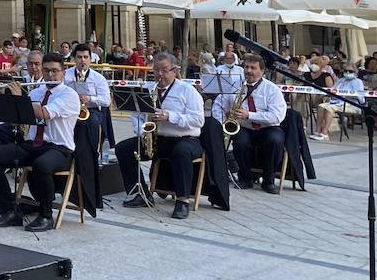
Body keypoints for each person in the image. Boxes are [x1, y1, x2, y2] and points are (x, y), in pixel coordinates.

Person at [0, 52, 80, 233]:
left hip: (59, 148)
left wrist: (19, 99)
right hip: (33, 144)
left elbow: (44, 114)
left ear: (63, 73)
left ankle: (46, 215)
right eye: (46, 71)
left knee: (42, 164)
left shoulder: (69, 95)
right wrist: (6, 100)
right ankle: (9, 208)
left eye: (55, 71)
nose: (50, 75)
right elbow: (21, 119)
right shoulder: (36, 91)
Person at [115, 52, 205, 219]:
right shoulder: (148, 89)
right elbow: (136, 115)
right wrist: (143, 132)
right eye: (156, 70)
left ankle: (182, 201)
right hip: (156, 138)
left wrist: (170, 116)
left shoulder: (187, 90)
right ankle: (140, 193)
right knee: (123, 149)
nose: (160, 75)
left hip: (184, 139)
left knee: (181, 152)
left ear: (175, 71)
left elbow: (199, 120)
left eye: (164, 70)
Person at [213, 53, 287, 193]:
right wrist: (222, 122)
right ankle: (245, 178)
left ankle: (268, 181)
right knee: (240, 141)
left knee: (275, 140)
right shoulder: (234, 86)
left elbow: (277, 116)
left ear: (262, 71)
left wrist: (250, 115)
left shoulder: (272, 89)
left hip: (268, 127)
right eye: (246, 67)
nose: (248, 71)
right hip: (244, 127)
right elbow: (219, 105)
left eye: (253, 68)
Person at [0, 49, 42, 145]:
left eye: (37, 64)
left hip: (38, 123)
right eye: (30, 64)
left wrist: (19, 97)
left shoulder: (45, 84)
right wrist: (2, 93)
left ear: (43, 65)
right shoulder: (22, 80)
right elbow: (10, 107)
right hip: (21, 122)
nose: (33, 67)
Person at [68, 43, 112, 154]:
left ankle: (90, 152)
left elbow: (106, 101)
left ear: (90, 59)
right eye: (79, 57)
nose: (82, 60)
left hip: (91, 110)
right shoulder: (66, 75)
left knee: (90, 123)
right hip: (70, 109)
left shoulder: (99, 78)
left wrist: (90, 98)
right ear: (74, 59)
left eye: (85, 57)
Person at [315, 66, 364, 140]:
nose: (348, 73)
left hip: (352, 104)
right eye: (346, 71)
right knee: (321, 106)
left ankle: (324, 133)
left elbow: (360, 97)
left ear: (355, 72)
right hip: (336, 101)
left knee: (329, 108)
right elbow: (333, 90)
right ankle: (317, 131)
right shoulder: (341, 80)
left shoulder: (358, 82)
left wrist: (346, 95)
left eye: (350, 71)